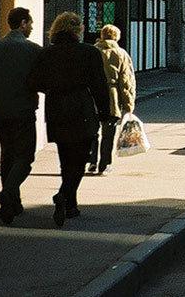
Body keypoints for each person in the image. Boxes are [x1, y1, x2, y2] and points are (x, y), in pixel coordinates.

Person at [30, 12, 112, 227]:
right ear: (78, 30)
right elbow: (99, 85)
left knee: (65, 157)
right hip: (81, 106)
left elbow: (35, 82)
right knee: (81, 156)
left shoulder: (47, 53)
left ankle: (71, 205)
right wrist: (105, 112)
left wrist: (53, 88)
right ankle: (64, 195)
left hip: (56, 107)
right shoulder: (88, 52)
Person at [0, 7, 43, 225]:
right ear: (22, 23)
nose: (31, 27)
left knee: (7, 155)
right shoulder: (33, 50)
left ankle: (14, 202)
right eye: (30, 23)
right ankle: (8, 191)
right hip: (23, 111)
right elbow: (41, 81)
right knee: (25, 157)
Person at [89, 24, 136, 176]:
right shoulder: (121, 54)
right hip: (112, 97)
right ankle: (104, 164)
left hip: (92, 97)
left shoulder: (92, 51)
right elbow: (126, 81)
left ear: (102, 36)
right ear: (117, 37)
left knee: (92, 131)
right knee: (108, 133)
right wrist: (129, 104)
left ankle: (92, 161)